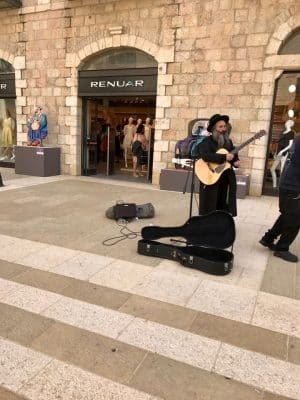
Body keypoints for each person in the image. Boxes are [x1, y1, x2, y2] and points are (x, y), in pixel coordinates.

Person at [259, 135, 300, 263]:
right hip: (294, 186)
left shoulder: (298, 137)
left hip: (288, 183)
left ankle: (268, 238)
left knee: (287, 215)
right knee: (295, 220)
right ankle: (282, 249)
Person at [195, 114, 239, 216]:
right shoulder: (206, 142)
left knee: (224, 205)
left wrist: (236, 162)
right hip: (211, 177)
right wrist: (223, 157)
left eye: (225, 126)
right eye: (220, 127)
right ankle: (208, 225)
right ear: (214, 129)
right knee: (210, 206)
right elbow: (205, 156)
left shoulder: (229, 142)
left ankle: (222, 224)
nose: (224, 129)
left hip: (225, 178)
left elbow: (233, 155)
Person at [271, 120, 295, 188]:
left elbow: (290, 145)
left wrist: (282, 151)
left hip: (284, 153)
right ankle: (274, 184)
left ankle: (280, 185)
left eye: (288, 122)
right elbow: (278, 143)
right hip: (279, 152)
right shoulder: (282, 132)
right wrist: (276, 152)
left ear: (291, 124)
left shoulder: (291, 133)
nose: (286, 123)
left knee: (282, 169)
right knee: (272, 169)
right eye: (286, 122)